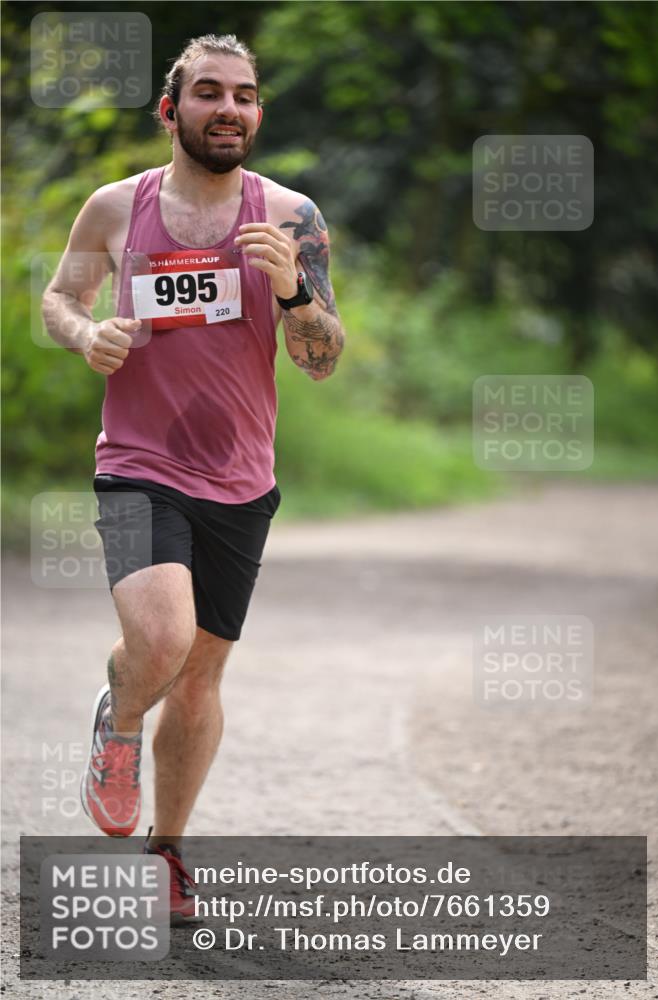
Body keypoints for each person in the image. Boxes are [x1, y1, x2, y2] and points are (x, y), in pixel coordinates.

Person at [42, 33, 345, 921]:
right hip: (137, 464)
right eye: (208, 93)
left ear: (258, 112)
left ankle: (167, 853)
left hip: (242, 480)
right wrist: (82, 333)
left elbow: (322, 360)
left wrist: (294, 291)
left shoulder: (291, 217)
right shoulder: (114, 206)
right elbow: (62, 296)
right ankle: (122, 717)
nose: (229, 109)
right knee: (163, 640)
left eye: (245, 95)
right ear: (171, 111)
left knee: (203, 679)